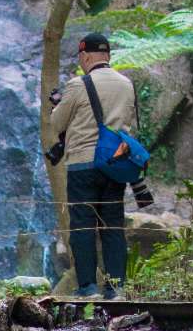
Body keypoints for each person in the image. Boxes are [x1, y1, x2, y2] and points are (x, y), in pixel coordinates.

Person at [46, 32, 144, 298]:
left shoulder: (78, 85)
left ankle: (88, 287)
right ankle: (116, 287)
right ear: (107, 55)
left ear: (86, 56)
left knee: (83, 225)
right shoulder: (126, 84)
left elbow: (57, 123)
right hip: (114, 164)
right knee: (113, 225)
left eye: (81, 57)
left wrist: (56, 106)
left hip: (83, 165)